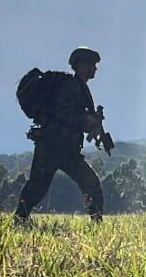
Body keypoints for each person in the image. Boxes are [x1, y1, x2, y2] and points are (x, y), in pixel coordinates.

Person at [14, 47, 107, 223]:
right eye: (92, 65)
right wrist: (85, 121)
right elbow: (63, 113)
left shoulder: (81, 89)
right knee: (36, 188)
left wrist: (92, 125)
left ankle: (97, 223)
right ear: (81, 66)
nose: (95, 69)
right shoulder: (68, 86)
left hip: (68, 150)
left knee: (91, 183)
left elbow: (77, 118)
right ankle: (19, 219)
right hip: (51, 147)